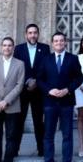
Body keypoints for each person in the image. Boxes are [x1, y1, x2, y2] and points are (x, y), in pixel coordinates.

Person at [36, 32, 83, 162]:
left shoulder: (73, 58)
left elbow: (79, 78)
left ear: (65, 42)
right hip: (50, 102)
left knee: (67, 134)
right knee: (48, 134)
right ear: (52, 43)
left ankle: (67, 159)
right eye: (56, 41)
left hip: (67, 102)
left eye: (61, 41)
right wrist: (49, 90)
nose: (59, 43)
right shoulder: (46, 59)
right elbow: (39, 79)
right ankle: (49, 159)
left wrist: (68, 90)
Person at [15, 24, 51, 156]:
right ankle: (14, 150)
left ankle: (41, 150)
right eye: (30, 33)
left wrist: (36, 80)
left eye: (35, 32)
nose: (32, 35)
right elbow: (16, 69)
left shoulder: (45, 48)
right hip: (22, 91)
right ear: (26, 34)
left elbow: (47, 68)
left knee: (39, 122)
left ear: (38, 34)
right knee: (19, 121)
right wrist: (26, 81)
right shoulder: (18, 49)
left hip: (39, 90)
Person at [0, 36, 25, 162]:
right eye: (4, 45)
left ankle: (8, 160)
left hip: (12, 106)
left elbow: (19, 85)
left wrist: (6, 101)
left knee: (11, 136)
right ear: (1, 47)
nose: (7, 48)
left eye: (9, 45)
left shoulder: (20, 64)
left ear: (13, 48)